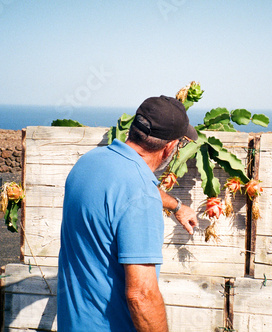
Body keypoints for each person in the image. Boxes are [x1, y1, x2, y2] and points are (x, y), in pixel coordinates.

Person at [57, 95, 199, 331]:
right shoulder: (139, 193)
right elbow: (141, 295)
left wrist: (176, 205)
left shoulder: (90, 162)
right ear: (170, 147)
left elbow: (121, 195)